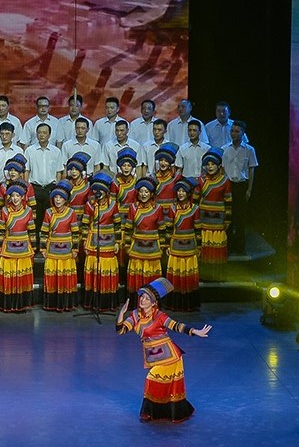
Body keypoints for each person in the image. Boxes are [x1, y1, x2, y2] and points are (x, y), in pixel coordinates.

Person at [115, 277, 212, 423]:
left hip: (170, 357)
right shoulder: (135, 315)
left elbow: (176, 326)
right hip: (154, 356)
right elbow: (121, 330)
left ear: (154, 303)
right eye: (142, 297)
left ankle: (150, 413)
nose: (143, 300)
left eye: (147, 298)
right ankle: (159, 413)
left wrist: (194, 331)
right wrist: (121, 315)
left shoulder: (159, 316)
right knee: (161, 385)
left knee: (152, 379)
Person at [82, 171, 122, 311]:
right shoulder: (90, 205)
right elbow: (85, 225)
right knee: (94, 271)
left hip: (109, 243)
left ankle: (106, 303)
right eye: (96, 190)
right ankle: (93, 302)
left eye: (101, 190)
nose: (98, 192)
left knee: (106, 271)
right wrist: (84, 241)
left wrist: (118, 242)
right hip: (93, 243)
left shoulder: (113, 205)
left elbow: (117, 224)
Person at [40, 182, 82, 312]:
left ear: (65, 199)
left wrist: (75, 249)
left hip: (67, 250)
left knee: (65, 277)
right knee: (52, 277)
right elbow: (44, 231)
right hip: (52, 249)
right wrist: (43, 248)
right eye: (56, 197)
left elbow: (75, 232)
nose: (58, 200)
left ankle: (66, 304)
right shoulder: (48, 212)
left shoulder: (71, 212)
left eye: (61, 198)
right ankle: (52, 304)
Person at [0, 179, 36, 312]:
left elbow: (32, 230)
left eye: (17, 196)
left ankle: (22, 304)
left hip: (24, 248)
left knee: (22, 277)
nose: (15, 198)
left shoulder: (28, 211)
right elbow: (1, 230)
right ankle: (9, 304)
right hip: (8, 248)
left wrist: (34, 247)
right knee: (10, 276)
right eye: (12, 196)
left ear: (23, 197)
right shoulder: (5, 211)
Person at [221, 121, 258, 255]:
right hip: (227, 186)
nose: (234, 134)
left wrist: (249, 189)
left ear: (243, 133)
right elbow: (221, 170)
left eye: (237, 131)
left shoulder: (249, 150)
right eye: (232, 131)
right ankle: (229, 246)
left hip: (241, 185)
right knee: (228, 217)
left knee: (240, 217)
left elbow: (251, 170)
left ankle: (240, 247)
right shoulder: (224, 149)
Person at [165, 178, 202, 311]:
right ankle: (175, 304)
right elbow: (169, 228)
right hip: (176, 247)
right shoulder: (172, 208)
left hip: (190, 248)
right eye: (179, 191)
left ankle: (189, 304)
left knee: (188, 277)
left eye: (183, 191)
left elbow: (198, 229)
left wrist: (199, 246)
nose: (180, 193)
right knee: (176, 276)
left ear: (188, 193)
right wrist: (167, 245)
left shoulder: (195, 209)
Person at [197, 148, 233, 269]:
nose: (210, 167)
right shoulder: (201, 180)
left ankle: (217, 273)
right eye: (208, 164)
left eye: (213, 164)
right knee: (204, 247)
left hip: (218, 221)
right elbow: (195, 201)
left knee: (217, 247)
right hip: (204, 220)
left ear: (218, 166)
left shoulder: (225, 181)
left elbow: (228, 202)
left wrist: (227, 220)